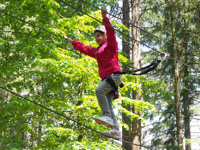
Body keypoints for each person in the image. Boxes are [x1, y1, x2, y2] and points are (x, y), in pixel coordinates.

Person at [65, 9, 122, 140]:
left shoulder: (110, 46)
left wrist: (105, 18)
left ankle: (107, 117)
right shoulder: (97, 51)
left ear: (105, 36)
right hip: (110, 79)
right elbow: (85, 49)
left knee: (99, 90)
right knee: (108, 102)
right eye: (95, 36)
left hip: (114, 76)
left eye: (99, 36)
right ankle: (116, 130)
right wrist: (73, 42)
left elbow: (112, 32)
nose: (97, 39)